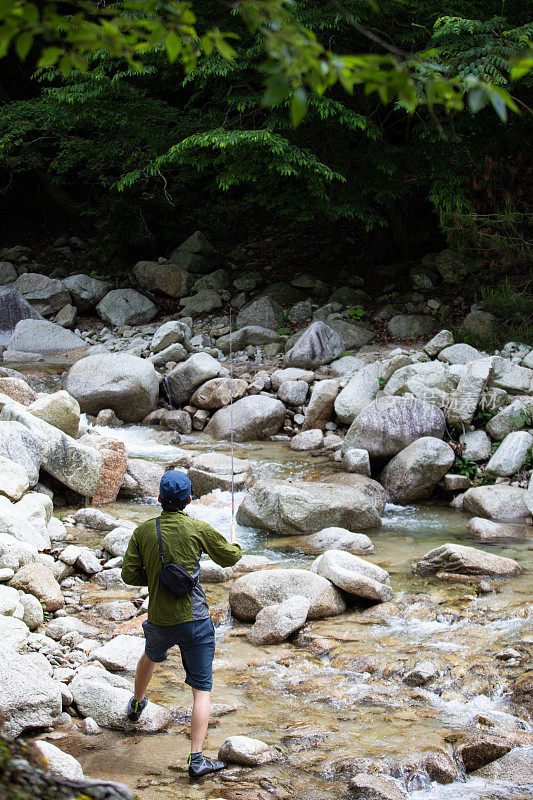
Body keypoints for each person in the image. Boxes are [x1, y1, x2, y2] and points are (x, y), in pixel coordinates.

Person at [121, 469, 242, 778]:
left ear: (160, 498)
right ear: (190, 499)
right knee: (201, 690)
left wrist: (154, 575)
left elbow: (128, 576)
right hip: (196, 620)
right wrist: (236, 543)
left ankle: (136, 704)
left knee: (150, 654)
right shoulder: (197, 527)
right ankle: (197, 759)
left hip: (160, 619)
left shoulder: (144, 532)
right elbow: (229, 558)